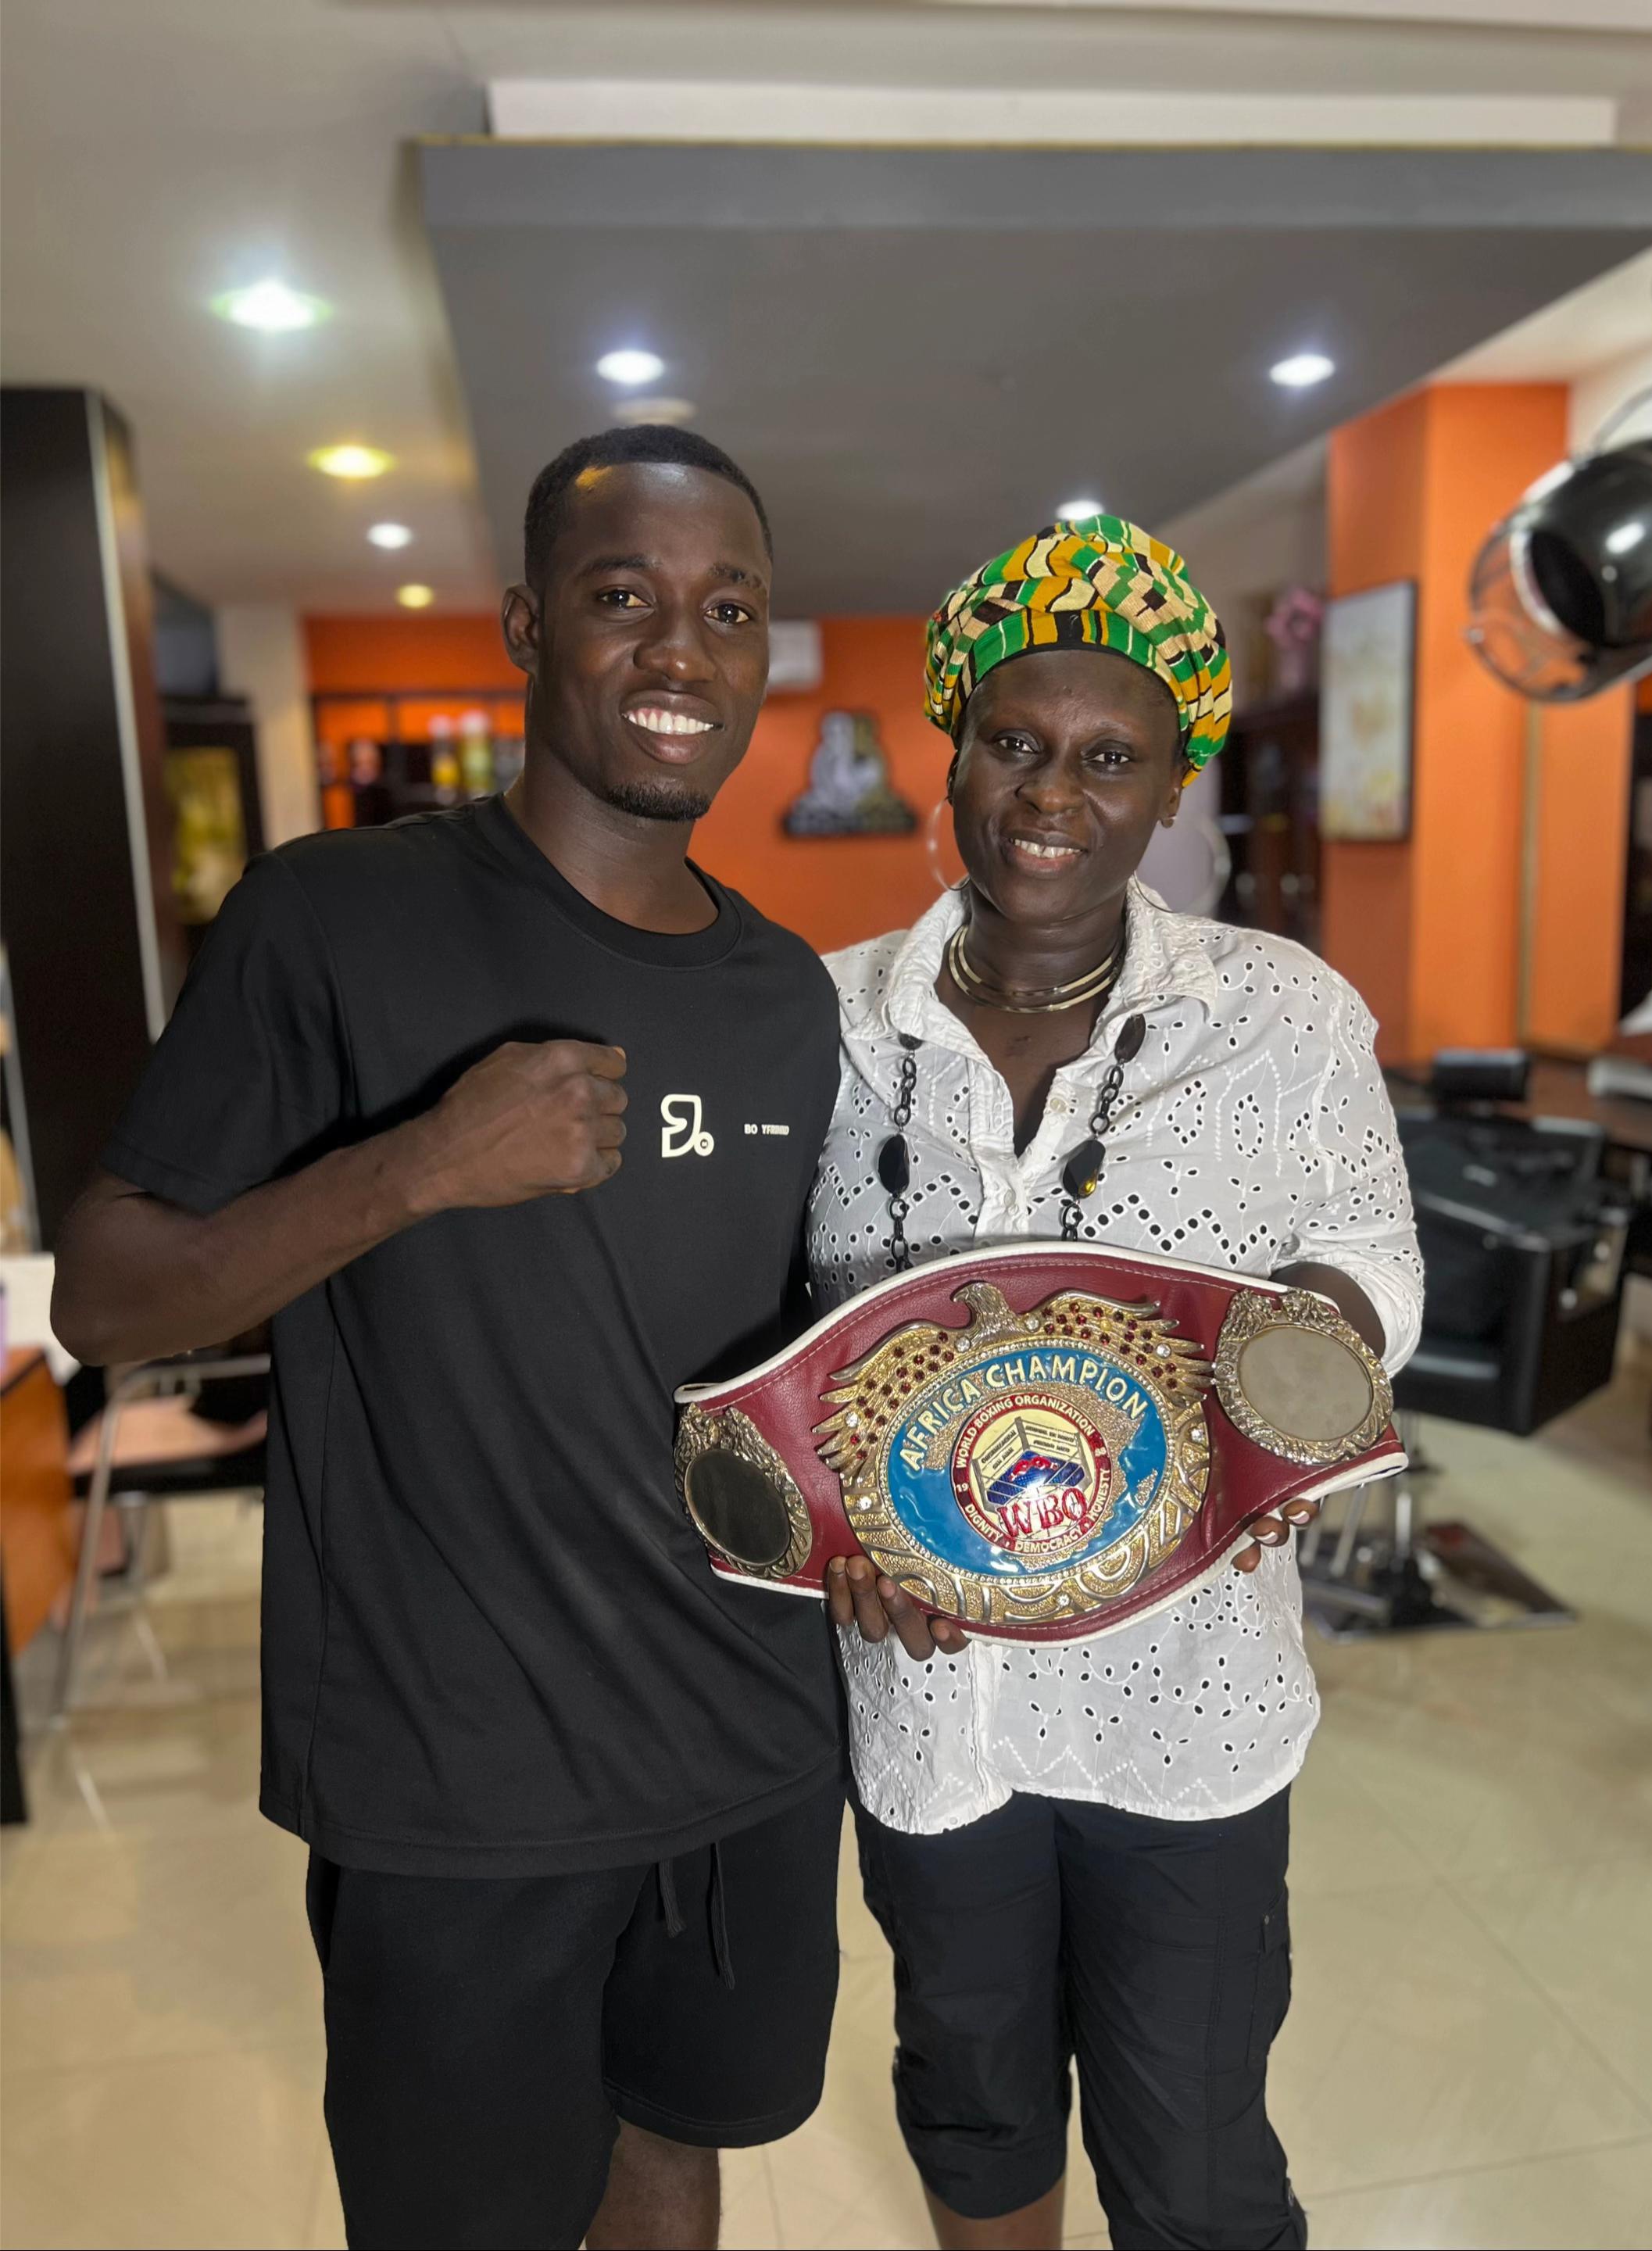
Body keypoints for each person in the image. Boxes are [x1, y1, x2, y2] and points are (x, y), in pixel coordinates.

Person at [52, 425, 846, 2251]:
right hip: (458, 1776)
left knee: (675, 2160)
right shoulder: (336, 919)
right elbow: (106, 1294)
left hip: (745, 1740)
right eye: (624, 596)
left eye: (730, 609)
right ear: (525, 625)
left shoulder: (786, 996)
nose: (683, 649)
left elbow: (782, 1364)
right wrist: (415, 1167)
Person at [815, 517, 1423, 2251]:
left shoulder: (1283, 1016)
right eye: (1015, 743)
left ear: (1171, 790)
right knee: (974, 2105)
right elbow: (779, 1342)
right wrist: (827, 1519)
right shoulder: (832, 1024)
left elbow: (1372, 1259)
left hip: (1188, 1705)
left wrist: (1273, 1398)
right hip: (930, 1700)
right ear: (953, 753)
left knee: (1194, 2153)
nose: (1051, 795)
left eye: (1108, 759)